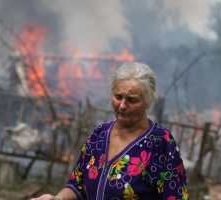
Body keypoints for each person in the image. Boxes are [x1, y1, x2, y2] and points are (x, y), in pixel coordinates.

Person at [31, 62, 189, 200]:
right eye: (118, 97)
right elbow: (78, 185)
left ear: (148, 102)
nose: (122, 105)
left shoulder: (160, 142)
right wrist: (58, 198)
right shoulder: (100, 134)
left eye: (132, 100)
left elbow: (175, 196)